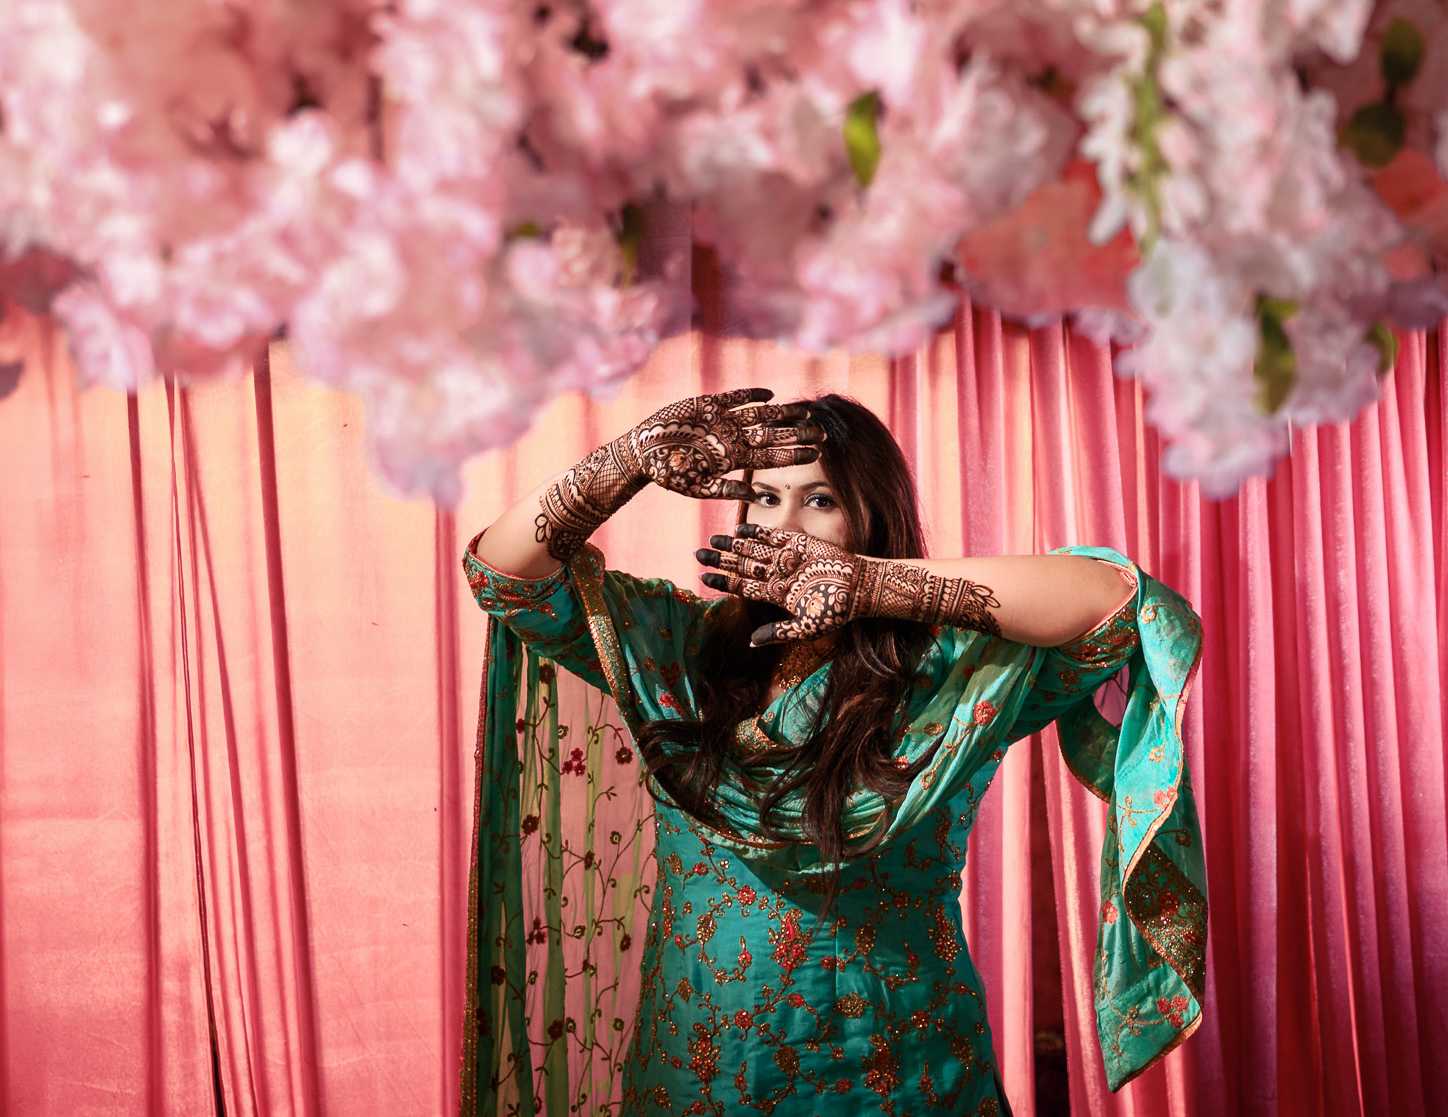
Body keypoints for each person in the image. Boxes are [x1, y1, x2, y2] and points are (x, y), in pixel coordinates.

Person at [463, 389, 1205, 1116]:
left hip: (906, 1069)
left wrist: (872, 586)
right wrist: (624, 462)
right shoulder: (679, 648)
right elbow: (504, 576)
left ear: (872, 517)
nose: (784, 527)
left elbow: (1120, 604)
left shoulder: (951, 671)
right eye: (764, 498)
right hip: (705, 1069)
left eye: (819, 501)